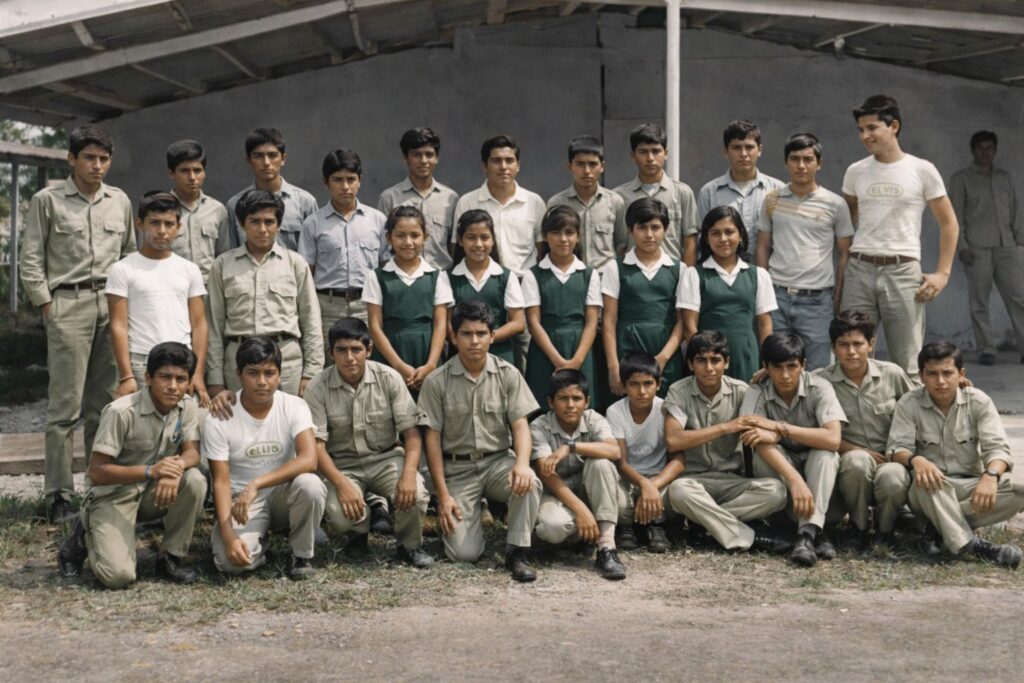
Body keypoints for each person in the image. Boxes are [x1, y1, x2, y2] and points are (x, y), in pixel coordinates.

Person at [20, 124, 135, 522]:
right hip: (68, 304)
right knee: (64, 408)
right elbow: (31, 258)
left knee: (105, 405)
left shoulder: (119, 201)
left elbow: (129, 254)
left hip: (112, 305)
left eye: (104, 159)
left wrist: (126, 303)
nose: (97, 165)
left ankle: (100, 487)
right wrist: (47, 305)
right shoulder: (48, 200)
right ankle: (58, 495)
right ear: (71, 159)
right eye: (89, 158)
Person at [57, 342, 206, 588]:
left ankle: (170, 557)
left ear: (189, 382)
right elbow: (97, 472)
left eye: (181, 379)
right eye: (165, 377)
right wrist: (151, 471)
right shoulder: (121, 412)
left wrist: (176, 467)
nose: (173, 386)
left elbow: (192, 452)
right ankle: (82, 535)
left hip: (152, 491)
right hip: (112, 496)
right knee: (118, 576)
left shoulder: (186, 406)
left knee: (195, 480)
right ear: (148, 378)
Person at [417, 301, 543, 582]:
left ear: (492, 336)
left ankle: (517, 551)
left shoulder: (508, 374)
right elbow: (432, 441)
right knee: (464, 553)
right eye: (466, 333)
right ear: (454, 336)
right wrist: (442, 496)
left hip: (498, 462)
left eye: (481, 333)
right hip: (457, 470)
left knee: (529, 482)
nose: (474, 341)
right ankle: (469, 527)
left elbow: (520, 426)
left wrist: (522, 463)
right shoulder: (437, 382)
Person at [840, 95, 959, 379]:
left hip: (903, 271)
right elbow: (845, 220)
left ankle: (907, 410)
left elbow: (949, 223)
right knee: (851, 354)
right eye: (861, 130)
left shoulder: (922, 169)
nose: (865, 136)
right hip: (860, 269)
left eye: (872, 128)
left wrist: (943, 273)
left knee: (908, 362)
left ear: (894, 126)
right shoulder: (856, 171)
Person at [305, 318, 432, 567]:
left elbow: (411, 432)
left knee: (415, 493)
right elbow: (317, 447)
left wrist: (409, 473)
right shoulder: (317, 387)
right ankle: (358, 534)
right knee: (337, 512)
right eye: (341, 350)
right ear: (331, 353)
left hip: (386, 458)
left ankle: (409, 545)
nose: (349, 358)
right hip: (342, 465)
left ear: (369, 350)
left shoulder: (389, 378)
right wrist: (341, 484)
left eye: (356, 349)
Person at [887, 341, 1024, 568]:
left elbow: (998, 448)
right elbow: (895, 448)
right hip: (931, 489)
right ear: (921, 376)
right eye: (932, 374)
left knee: (1019, 489)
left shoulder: (979, 401)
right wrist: (916, 460)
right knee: (925, 482)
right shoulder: (909, 403)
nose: (940, 381)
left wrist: (990, 476)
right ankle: (975, 547)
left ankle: (938, 528)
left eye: (947, 373)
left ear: (961, 374)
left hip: (971, 486)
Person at [205, 337, 328, 580]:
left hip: (282, 494)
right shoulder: (220, 416)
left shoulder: (294, 405)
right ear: (238, 374)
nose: (262, 381)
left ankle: (301, 555)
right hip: (241, 501)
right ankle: (260, 543)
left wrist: (257, 483)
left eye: (269, 373)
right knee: (229, 563)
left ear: (279, 375)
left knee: (310, 485)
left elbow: (309, 459)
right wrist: (229, 537)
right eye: (253, 373)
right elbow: (220, 481)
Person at [664, 331, 789, 553]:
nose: (709, 368)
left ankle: (704, 523)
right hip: (694, 482)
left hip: (733, 481)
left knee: (777, 492)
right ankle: (750, 537)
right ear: (690, 364)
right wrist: (725, 427)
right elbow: (673, 440)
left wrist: (767, 373)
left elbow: (768, 423)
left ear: (727, 362)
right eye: (701, 360)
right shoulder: (679, 391)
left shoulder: (741, 391)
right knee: (678, 491)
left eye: (716, 360)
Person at [740, 332, 846, 567]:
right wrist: (795, 479)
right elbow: (752, 436)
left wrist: (780, 429)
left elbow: (833, 439)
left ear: (803, 365)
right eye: (777, 367)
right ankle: (811, 532)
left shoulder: (819, 387)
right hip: (785, 477)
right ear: (766, 367)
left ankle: (806, 534)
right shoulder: (757, 391)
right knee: (761, 451)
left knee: (825, 455)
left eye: (792, 366)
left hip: (817, 473)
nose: (785, 375)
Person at [812, 310, 914, 549]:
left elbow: (918, 406)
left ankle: (885, 530)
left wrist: (958, 386)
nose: (851, 351)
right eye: (843, 345)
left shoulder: (892, 374)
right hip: (849, 462)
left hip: (891, 458)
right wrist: (766, 373)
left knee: (893, 477)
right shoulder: (820, 381)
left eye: (858, 344)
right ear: (833, 347)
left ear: (871, 344)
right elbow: (817, 431)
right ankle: (858, 527)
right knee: (857, 462)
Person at [206, 190, 323, 397]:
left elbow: (311, 321)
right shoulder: (222, 265)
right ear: (242, 224)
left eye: (269, 222)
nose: (262, 229)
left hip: (287, 364)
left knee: (288, 416)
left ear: (279, 225)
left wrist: (311, 373)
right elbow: (214, 326)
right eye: (254, 222)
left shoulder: (295, 264)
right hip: (238, 363)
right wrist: (215, 378)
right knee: (238, 417)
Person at [755, 133, 853, 371]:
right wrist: (763, 290)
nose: (801, 165)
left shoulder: (835, 204)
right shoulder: (772, 200)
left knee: (817, 371)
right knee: (777, 367)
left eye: (808, 159)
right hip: (777, 297)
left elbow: (845, 255)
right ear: (785, 162)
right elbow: (763, 246)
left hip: (817, 301)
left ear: (819, 164)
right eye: (794, 159)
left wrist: (836, 299)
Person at [107, 192, 208, 407]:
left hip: (182, 362)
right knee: (141, 423)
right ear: (139, 224)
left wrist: (197, 373)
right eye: (154, 223)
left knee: (184, 423)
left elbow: (199, 324)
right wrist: (126, 375)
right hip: (141, 362)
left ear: (178, 227)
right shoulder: (122, 269)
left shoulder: (189, 269)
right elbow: (118, 324)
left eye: (169, 224)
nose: (162, 230)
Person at [531, 369, 629, 580]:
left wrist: (572, 447)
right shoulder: (539, 427)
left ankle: (606, 547)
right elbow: (547, 474)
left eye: (577, 398)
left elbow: (614, 451)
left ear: (587, 402)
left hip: (591, 489)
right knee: (552, 528)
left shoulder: (593, 419)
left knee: (601, 465)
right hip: (557, 494)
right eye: (563, 398)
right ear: (550, 402)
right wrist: (582, 510)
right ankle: (585, 534)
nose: (570, 405)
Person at [950, 130, 1024, 366]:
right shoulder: (961, 179)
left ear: (995, 150)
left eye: (989, 148)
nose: (985, 152)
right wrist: (962, 246)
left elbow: (1015, 210)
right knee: (979, 301)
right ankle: (987, 348)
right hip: (977, 248)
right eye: (980, 148)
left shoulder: (1004, 177)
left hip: (1007, 246)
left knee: (1019, 297)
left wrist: (1019, 242)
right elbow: (954, 217)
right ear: (973, 150)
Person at [680, 206, 776, 384]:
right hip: (709, 359)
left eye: (729, 232)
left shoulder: (758, 275)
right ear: (706, 238)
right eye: (715, 233)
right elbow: (689, 326)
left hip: (747, 355)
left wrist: (767, 361)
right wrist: (702, 360)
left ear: (741, 235)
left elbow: (765, 324)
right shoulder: (693, 274)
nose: (723, 239)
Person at [602, 198, 687, 399]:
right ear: (631, 231)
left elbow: (682, 321)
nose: (649, 235)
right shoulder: (615, 267)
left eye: (655, 227)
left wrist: (663, 357)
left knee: (668, 407)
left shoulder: (679, 269)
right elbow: (609, 320)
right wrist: (613, 366)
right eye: (642, 228)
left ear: (665, 230)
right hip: (627, 347)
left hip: (666, 351)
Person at [363, 206, 453, 395]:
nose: (408, 242)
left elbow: (440, 324)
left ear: (425, 237)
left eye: (415, 235)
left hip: (427, 353)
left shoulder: (437, 276)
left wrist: (430, 365)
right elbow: (375, 326)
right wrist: (398, 366)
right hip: (390, 354)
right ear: (389, 238)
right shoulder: (377, 276)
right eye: (400, 235)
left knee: (430, 406)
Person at [298, 149, 388, 330]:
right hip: (327, 307)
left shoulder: (377, 220)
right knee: (328, 348)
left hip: (367, 305)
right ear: (326, 182)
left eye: (351, 179)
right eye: (337, 180)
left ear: (359, 180)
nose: (345, 186)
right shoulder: (313, 223)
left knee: (367, 348)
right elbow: (306, 273)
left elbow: (387, 266)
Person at [523, 206, 602, 405]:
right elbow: (533, 323)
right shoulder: (534, 275)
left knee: (580, 405)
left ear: (578, 236)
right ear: (545, 236)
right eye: (556, 232)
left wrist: (577, 360)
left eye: (569, 232)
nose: (563, 239)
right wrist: (557, 360)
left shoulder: (588, 274)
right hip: (545, 350)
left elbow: (592, 322)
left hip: (581, 349)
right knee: (544, 404)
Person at [605, 352, 676, 553]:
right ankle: (626, 526)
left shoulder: (666, 409)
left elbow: (679, 459)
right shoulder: (615, 411)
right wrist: (644, 484)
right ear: (624, 386)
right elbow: (621, 462)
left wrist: (653, 485)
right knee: (616, 499)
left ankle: (656, 525)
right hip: (627, 478)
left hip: (658, 477)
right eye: (634, 385)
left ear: (658, 384)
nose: (642, 391)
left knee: (675, 493)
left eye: (648, 384)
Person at [612, 123, 698, 265]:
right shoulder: (618, 196)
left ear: (666, 153)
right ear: (633, 156)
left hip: (672, 273)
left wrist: (687, 275)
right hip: (632, 274)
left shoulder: (682, 193)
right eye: (643, 152)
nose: (650, 158)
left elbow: (690, 242)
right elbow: (619, 245)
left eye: (656, 151)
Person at [448, 209, 526, 364]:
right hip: (461, 357)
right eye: (471, 237)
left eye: (485, 237)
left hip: (500, 356)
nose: (478, 244)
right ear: (460, 240)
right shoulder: (447, 277)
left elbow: (518, 323)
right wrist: (466, 343)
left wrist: (484, 340)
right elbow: (446, 324)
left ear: (493, 240)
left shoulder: (506, 276)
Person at [697, 119, 785, 255]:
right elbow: (702, 239)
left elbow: (784, 235)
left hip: (766, 267)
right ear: (726, 151)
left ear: (760, 150)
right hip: (722, 267)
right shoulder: (709, 192)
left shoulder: (777, 189)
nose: (743, 154)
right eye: (736, 148)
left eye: (749, 147)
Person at [378, 127, 459, 271]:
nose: (423, 161)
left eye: (429, 154)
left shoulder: (450, 198)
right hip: (401, 277)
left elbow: (455, 245)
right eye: (416, 154)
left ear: (437, 158)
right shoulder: (389, 197)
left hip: (441, 276)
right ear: (405, 158)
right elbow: (383, 247)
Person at [226, 127, 318, 251]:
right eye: (258, 156)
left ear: (283, 159)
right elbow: (232, 253)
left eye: (272, 155)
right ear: (249, 160)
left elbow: (313, 252)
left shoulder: (305, 202)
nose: (266, 162)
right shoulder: (235, 205)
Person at [547, 135, 626, 269]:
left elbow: (621, 244)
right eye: (580, 164)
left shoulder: (615, 201)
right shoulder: (556, 203)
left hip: (605, 276)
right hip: (571, 275)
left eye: (592, 164)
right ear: (570, 166)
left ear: (602, 166)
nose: (587, 171)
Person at [165, 139, 231, 281]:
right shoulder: (160, 210)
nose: (192, 177)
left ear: (204, 172)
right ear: (171, 173)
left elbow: (225, 257)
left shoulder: (217, 210)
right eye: (184, 171)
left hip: (208, 287)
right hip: (171, 285)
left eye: (197, 170)